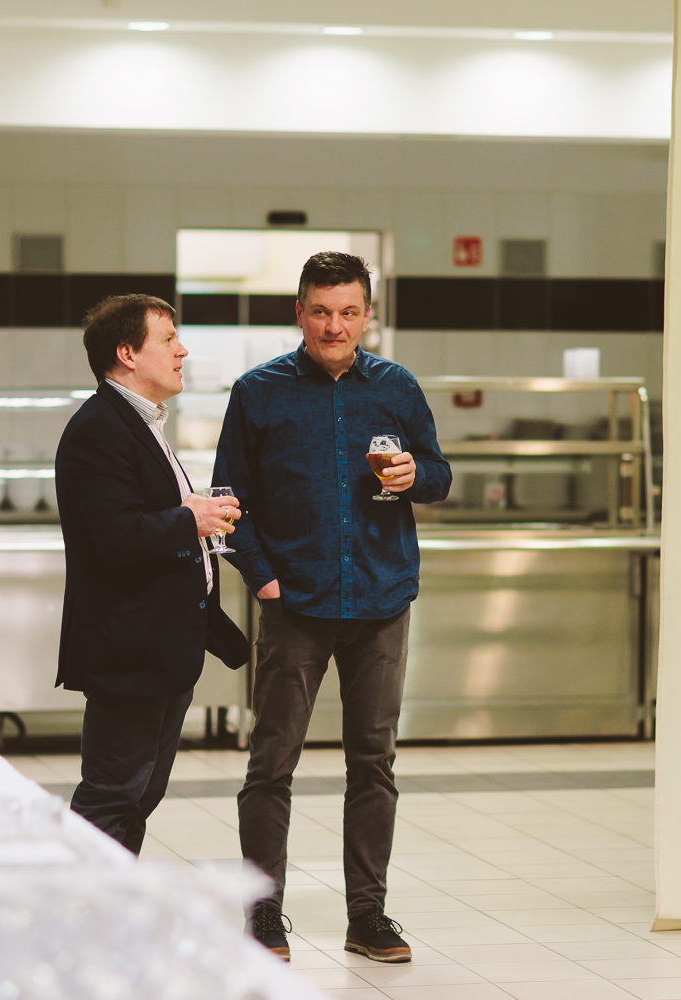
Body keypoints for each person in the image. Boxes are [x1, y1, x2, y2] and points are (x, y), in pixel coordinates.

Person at [214, 252, 451, 963]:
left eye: (348, 312)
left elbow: (439, 475)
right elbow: (229, 500)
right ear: (300, 313)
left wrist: (416, 475)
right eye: (321, 311)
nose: (334, 326)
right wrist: (263, 579)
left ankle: (367, 916)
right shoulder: (258, 392)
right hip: (296, 605)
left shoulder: (397, 387)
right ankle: (263, 914)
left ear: (367, 315)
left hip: (381, 600)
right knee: (271, 764)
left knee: (373, 764)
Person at [55, 293, 249, 856]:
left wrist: (192, 516)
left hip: (163, 648)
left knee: (139, 795)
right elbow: (117, 537)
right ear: (127, 353)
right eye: (168, 339)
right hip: (129, 651)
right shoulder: (99, 428)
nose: (182, 351)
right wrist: (191, 519)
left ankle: (113, 898)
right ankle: (79, 901)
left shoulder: (142, 423)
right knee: (112, 796)